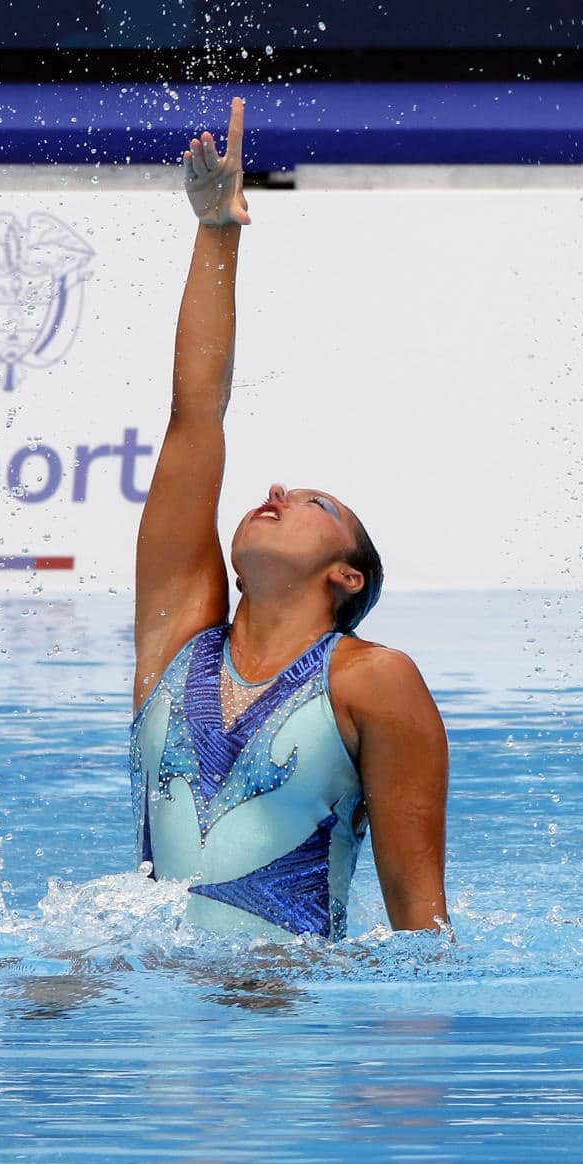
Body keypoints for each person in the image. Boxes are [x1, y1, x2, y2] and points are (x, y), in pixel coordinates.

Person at [129, 99, 449, 941]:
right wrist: (217, 231)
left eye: (316, 503)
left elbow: (423, 921)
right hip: (148, 1016)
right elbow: (194, 417)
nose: (277, 489)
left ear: (346, 576)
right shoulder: (176, 643)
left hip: (289, 1020)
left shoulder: (374, 681)